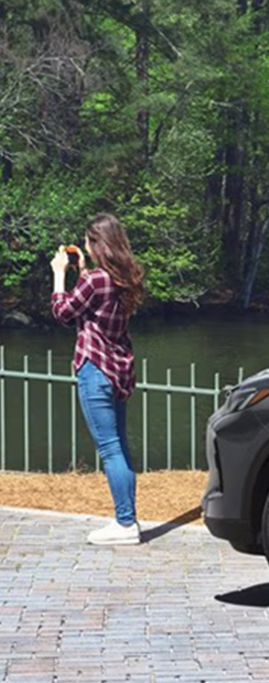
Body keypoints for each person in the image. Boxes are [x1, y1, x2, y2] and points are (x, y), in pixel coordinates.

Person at [49, 214, 146, 546]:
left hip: (95, 368)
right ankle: (127, 517)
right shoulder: (126, 278)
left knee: (109, 448)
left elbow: (63, 313)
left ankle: (125, 523)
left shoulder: (95, 279)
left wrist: (59, 275)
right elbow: (94, 305)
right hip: (119, 368)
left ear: (97, 243)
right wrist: (81, 273)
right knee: (119, 445)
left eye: (88, 242)